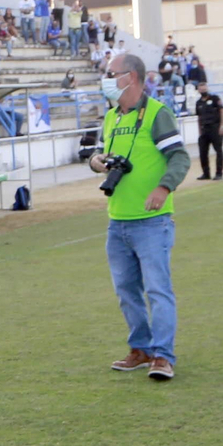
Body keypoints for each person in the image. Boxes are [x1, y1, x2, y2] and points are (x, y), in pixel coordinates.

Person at [92, 53, 191, 381]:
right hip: (117, 221)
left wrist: (164, 188)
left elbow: (179, 157)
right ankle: (141, 349)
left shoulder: (157, 115)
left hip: (152, 222)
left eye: (111, 73)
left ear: (131, 77)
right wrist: (96, 161)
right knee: (126, 290)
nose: (107, 78)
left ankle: (163, 356)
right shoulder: (112, 117)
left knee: (158, 290)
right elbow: (104, 156)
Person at [196, 82, 221, 180]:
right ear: (198, 90)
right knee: (203, 152)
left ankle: (219, 173)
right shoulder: (198, 103)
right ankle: (206, 173)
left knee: (219, 151)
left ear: (207, 88)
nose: (203, 91)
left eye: (204, 89)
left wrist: (222, 126)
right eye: (201, 89)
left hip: (215, 128)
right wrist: (199, 131)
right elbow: (199, 117)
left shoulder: (215, 99)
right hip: (204, 129)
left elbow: (221, 111)